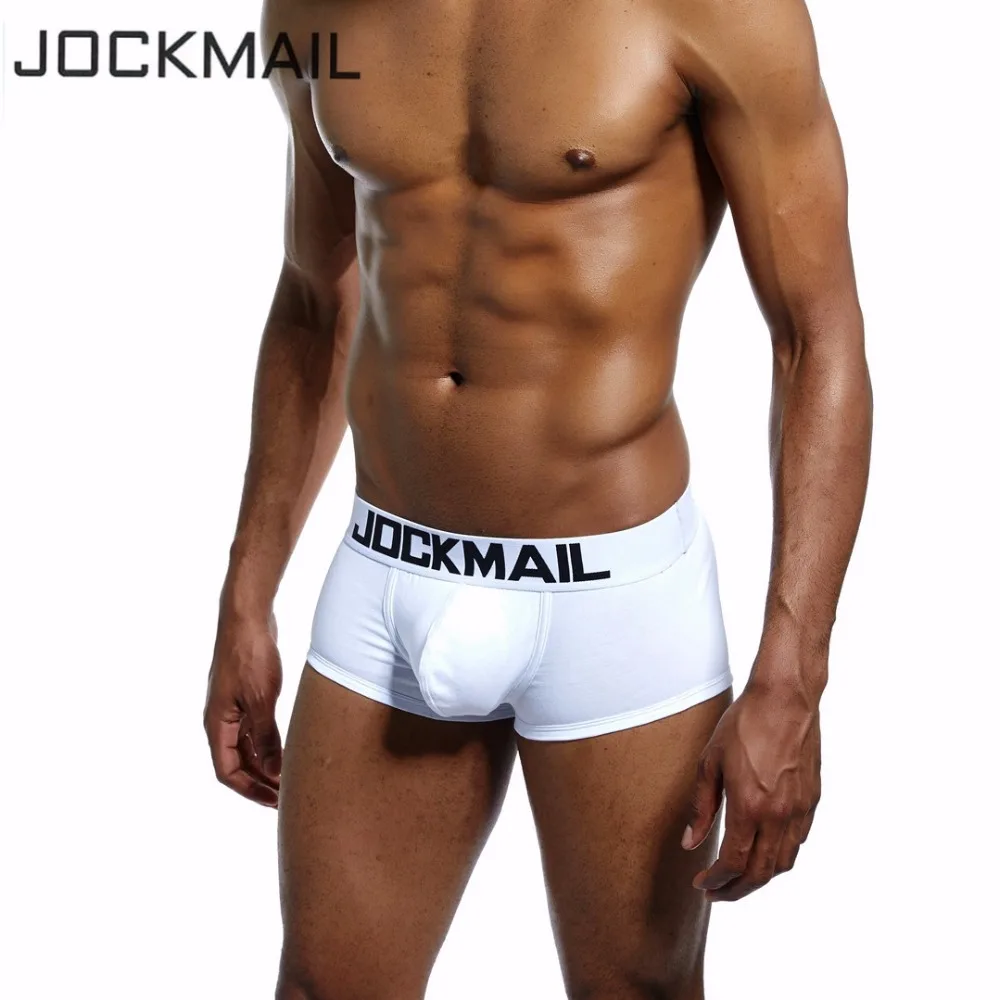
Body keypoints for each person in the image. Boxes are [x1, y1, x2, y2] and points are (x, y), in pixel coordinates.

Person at [204, 0, 872, 996]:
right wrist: (246, 593)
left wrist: (793, 679)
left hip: (612, 603)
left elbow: (816, 335)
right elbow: (312, 297)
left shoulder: (718, 11)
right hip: (390, 578)